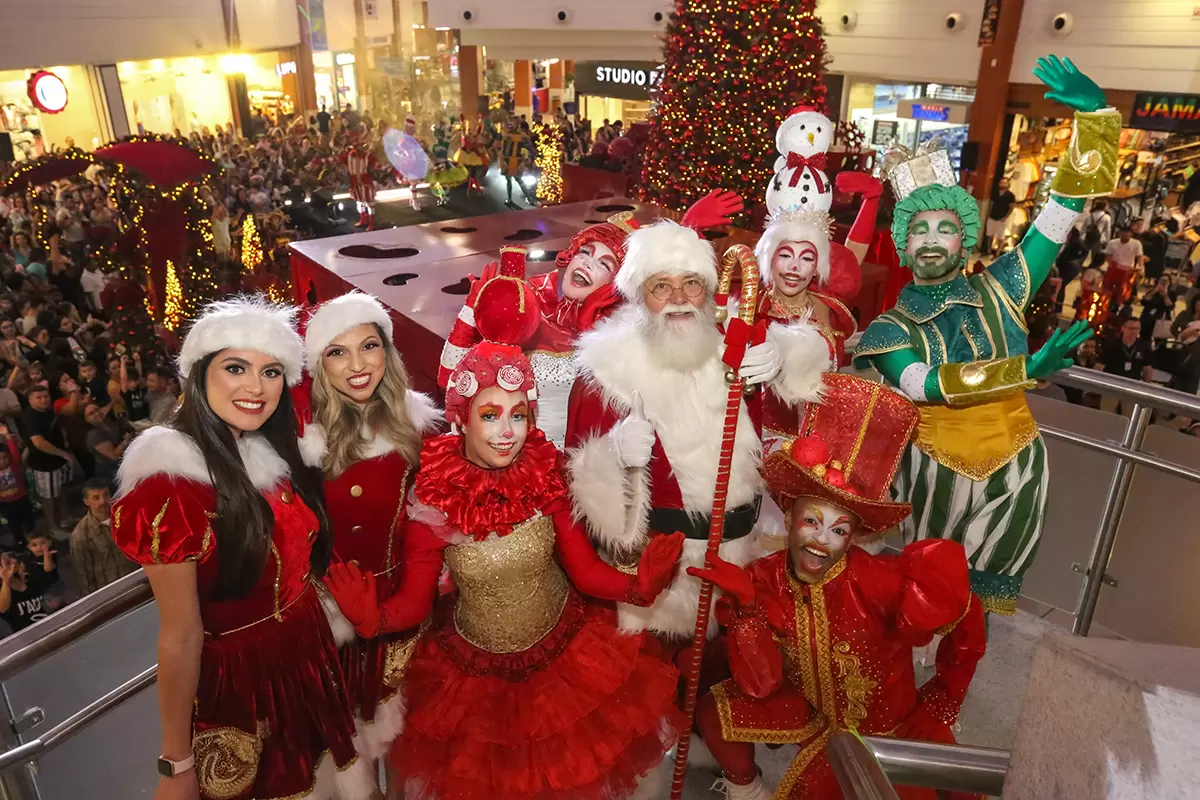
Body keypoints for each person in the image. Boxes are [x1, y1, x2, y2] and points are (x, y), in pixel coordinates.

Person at [322, 280, 686, 799]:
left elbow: (584, 572)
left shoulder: (544, 477)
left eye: (519, 415)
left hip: (566, 657)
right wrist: (371, 619)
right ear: (461, 417)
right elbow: (414, 603)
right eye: (490, 415)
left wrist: (637, 586)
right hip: (474, 677)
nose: (506, 431)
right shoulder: (433, 501)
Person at [853, 55, 1116, 615]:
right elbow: (924, 385)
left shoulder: (1007, 283)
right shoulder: (887, 327)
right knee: (928, 598)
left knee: (984, 610)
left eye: (945, 228)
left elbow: (1060, 213)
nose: (930, 240)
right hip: (933, 469)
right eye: (917, 229)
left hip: (1019, 467)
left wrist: (1095, 118)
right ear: (902, 245)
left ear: (965, 240)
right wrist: (1026, 371)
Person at [111, 297, 371, 800]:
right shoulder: (170, 482)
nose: (256, 387)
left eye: (271, 371)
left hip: (309, 654)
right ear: (199, 374)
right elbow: (182, 635)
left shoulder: (264, 449)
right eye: (236, 368)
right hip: (243, 683)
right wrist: (176, 763)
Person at [690, 374, 986, 800]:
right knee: (715, 710)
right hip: (810, 713)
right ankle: (747, 791)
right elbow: (761, 686)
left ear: (854, 537)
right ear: (789, 517)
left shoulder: (880, 580)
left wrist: (943, 699)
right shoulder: (765, 577)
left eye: (839, 529)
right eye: (812, 521)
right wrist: (749, 606)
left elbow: (965, 611)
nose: (821, 540)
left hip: (886, 731)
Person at [565, 219, 829, 641]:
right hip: (658, 573)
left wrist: (781, 354)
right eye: (660, 286)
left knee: (726, 671)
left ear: (708, 290)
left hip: (737, 558)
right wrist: (614, 454)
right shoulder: (605, 369)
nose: (678, 299)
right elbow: (577, 485)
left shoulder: (732, 338)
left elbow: (814, 357)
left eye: (691, 283)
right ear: (638, 295)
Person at [298, 292, 441, 782]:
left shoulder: (416, 426)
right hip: (327, 627)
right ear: (319, 364)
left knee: (411, 753)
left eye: (369, 346)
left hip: (406, 614)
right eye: (337, 352)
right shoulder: (299, 441)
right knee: (350, 768)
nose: (357, 365)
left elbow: (429, 528)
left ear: (388, 352)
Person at [755, 167, 880, 446]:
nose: (794, 267)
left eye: (807, 258)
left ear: (818, 268)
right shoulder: (752, 307)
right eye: (784, 255)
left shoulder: (828, 305)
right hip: (760, 442)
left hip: (821, 444)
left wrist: (871, 202)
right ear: (768, 260)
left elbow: (853, 254)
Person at [20, 385, 75, 533]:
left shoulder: (47, 411)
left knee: (61, 490)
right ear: (30, 400)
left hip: (58, 460)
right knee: (48, 497)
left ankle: (65, 519)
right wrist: (62, 453)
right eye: (39, 397)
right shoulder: (31, 418)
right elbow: (39, 442)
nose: (44, 400)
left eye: (46, 396)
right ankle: (53, 527)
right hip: (44, 464)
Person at [69, 479, 137, 596]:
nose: (103, 501)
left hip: (136, 584)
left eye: (106, 495)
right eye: (96, 498)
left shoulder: (125, 516)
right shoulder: (81, 535)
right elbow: (84, 577)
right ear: (86, 501)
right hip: (110, 595)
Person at [1097, 318, 1154, 414]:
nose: (1134, 331)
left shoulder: (1144, 346)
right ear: (1123, 328)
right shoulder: (1113, 344)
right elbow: (1100, 366)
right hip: (1112, 383)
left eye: (1136, 329)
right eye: (1131, 328)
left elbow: (1147, 369)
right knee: (1107, 412)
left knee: (1129, 415)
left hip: (1132, 385)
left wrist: (1147, 386)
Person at [0, 551, 56, 634]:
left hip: (54, 627)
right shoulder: (4, 591)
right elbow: (2, 608)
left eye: (11, 558)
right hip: (30, 638)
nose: (14, 561)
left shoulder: (31, 579)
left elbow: (53, 585)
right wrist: (6, 581)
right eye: (8, 563)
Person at [0, 424, 34, 546]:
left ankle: (34, 539)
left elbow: (14, 451)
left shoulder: (13, 464)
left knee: (28, 519)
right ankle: (20, 542)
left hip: (21, 498)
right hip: (5, 504)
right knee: (14, 523)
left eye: (4, 457)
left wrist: (7, 435)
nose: (2, 461)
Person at [84, 402, 129, 486]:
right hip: (110, 470)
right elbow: (114, 455)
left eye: (97, 410)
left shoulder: (107, 421)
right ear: (87, 419)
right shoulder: (93, 436)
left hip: (123, 464)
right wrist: (126, 441)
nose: (96, 413)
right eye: (91, 413)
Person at [1103, 225, 1144, 304]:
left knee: (1122, 292)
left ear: (1131, 234)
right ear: (1120, 233)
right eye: (1123, 233)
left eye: (1127, 234)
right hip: (1113, 269)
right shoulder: (1112, 242)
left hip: (1127, 271)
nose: (1125, 236)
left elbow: (1140, 256)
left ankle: (1118, 305)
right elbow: (1108, 256)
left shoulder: (1136, 243)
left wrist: (1141, 268)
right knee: (1107, 289)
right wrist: (1113, 264)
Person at [986, 177, 1018, 256]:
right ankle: (988, 251)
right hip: (992, 216)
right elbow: (991, 204)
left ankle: (997, 252)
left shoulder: (1010, 196)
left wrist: (1005, 217)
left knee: (1000, 236)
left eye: (1004, 183)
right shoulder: (995, 193)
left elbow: (1011, 207)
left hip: (1002, 218)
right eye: (1001, 182)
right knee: (989, 235)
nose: (1003, 184)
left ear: (1008, 184)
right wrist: (988, 214)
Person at [1139, 276, 1174, 342]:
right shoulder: (1152, 291)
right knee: (1144, 340)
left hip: (1161, 320)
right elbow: (1144, 302)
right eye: (1162, 280)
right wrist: (1154, 291)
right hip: (1147, 319)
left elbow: (1170, 307)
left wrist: (1165, 295)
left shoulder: (1171, 294)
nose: (1163, 283)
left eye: (1166, 281)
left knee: (1160, 342)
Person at [1083, 198, 1112, 267]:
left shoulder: (1090, 215)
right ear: (1104, 207)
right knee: (1095, 254)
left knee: (1084, 252)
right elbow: (1108, 230)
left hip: (1088, 236)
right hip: (1099, 238)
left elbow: (1084, 227)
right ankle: (1093, 267)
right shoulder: (1106, 217)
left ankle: (1080, 265)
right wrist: (1108, 240)